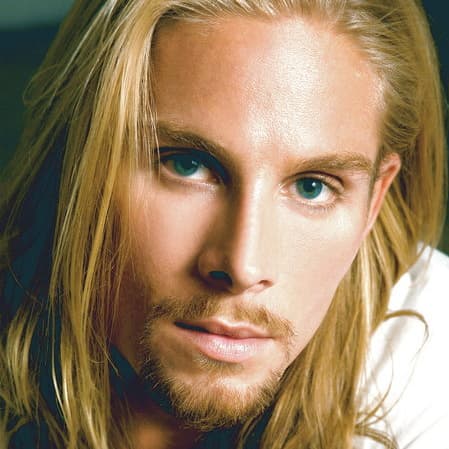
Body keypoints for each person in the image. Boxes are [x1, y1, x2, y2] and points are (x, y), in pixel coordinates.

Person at [0, 0, 448, 448]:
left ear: (373, 201)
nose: (242, 267)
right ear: (79, 161)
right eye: (188, 165)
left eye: (312, 187)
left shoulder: (428, 371)